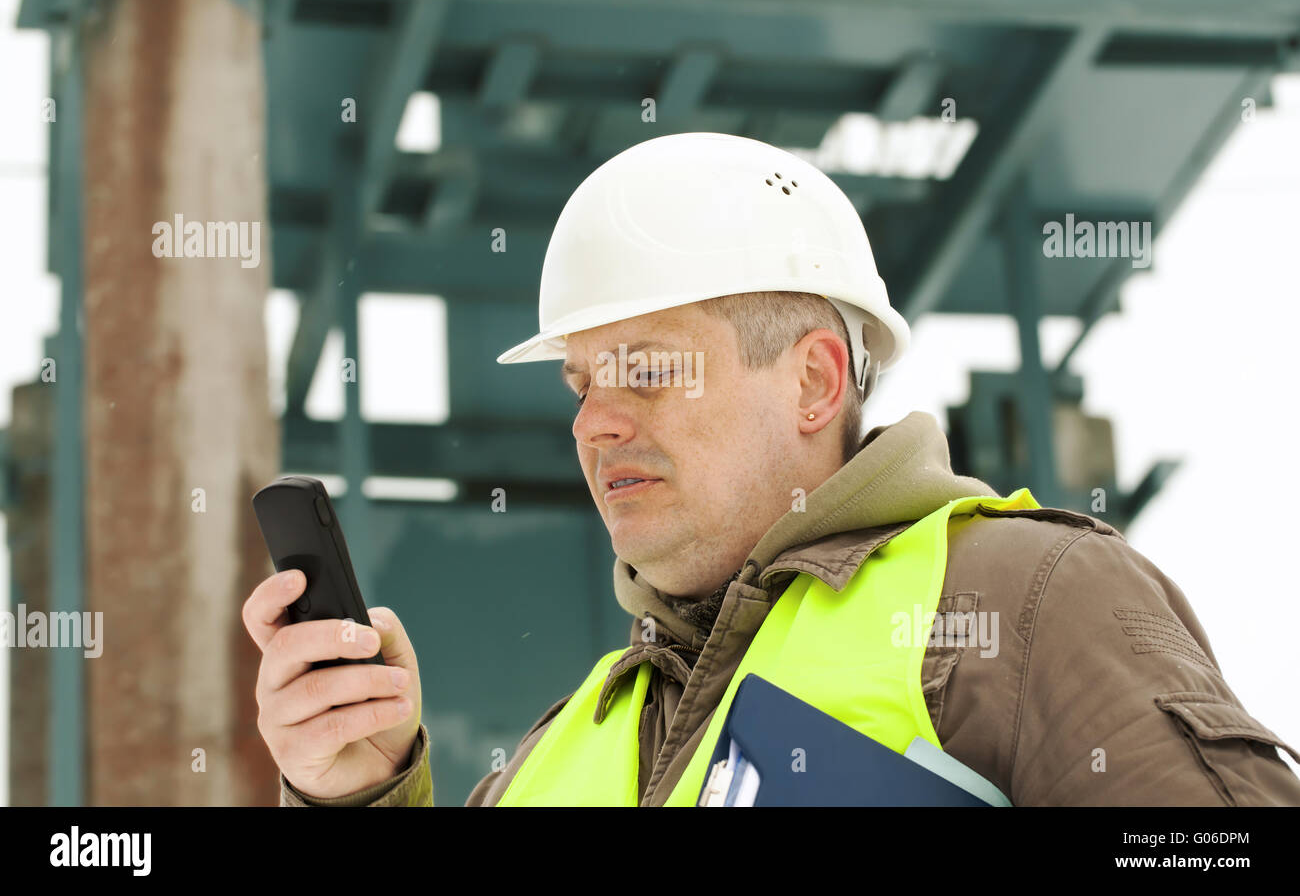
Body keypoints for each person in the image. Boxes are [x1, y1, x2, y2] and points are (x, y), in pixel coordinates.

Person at [244, 132, 1300, 806]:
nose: (595, 422)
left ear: (813, 380)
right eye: (579, 384)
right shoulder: (555, 754)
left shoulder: (1023, 600)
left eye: (646, 368)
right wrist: (358, 787)